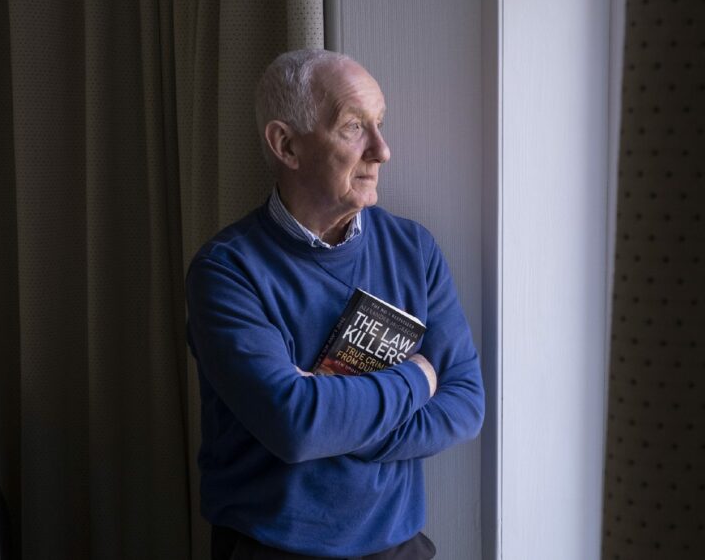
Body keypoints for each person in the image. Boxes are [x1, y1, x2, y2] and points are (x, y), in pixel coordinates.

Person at [185, 49, 485, 560]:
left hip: (399, 547)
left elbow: (465, 402)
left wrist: (338, 422)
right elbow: (296, 428)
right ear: (287, 146)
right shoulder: (226, 271)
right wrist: (418, 379)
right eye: (353, 127)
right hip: (272, 549)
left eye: (380, 123)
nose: (383, 150)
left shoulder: (414, 249)